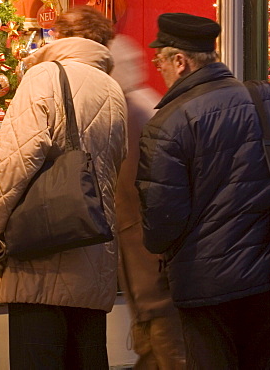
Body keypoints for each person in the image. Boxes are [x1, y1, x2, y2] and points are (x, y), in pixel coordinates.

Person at [136, 13, 270, 369]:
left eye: (160, 61)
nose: (159, 70)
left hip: (203, 280)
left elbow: (162, 222)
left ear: (181, 62)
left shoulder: (167, 123)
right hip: (269, 271)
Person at [0, 5, 127, 369]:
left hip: (40, 247)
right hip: (92, 242)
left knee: (37, 352)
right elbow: (116, 163)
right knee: (86, 354)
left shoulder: (44, 76)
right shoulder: (112, 88)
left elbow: (16, 160)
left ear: (59, 35)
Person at [108, 34, 186, 370]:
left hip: (147, 251)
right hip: (145, 250)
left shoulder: (132, 111)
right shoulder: (141, 105)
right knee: (155, 340)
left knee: (164, 339)